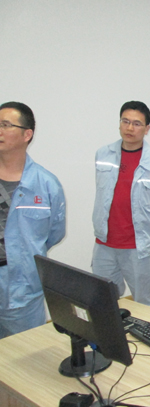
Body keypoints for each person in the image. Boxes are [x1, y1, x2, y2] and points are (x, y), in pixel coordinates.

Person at [92, 101, 150, 307]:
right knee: (103, 300)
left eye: (136, 124)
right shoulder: (103, 154)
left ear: (147, 129)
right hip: (104, 242)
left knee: (143, 301)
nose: (129, 128)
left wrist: (141, 216)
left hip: (137, 244)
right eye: (125, 121)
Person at [0, 102, 66, 339]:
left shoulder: (46, 184)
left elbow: (54, 233)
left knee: (23, 353)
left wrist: (23, 256)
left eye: (5, 125)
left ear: (27, 134)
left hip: (22, 289)